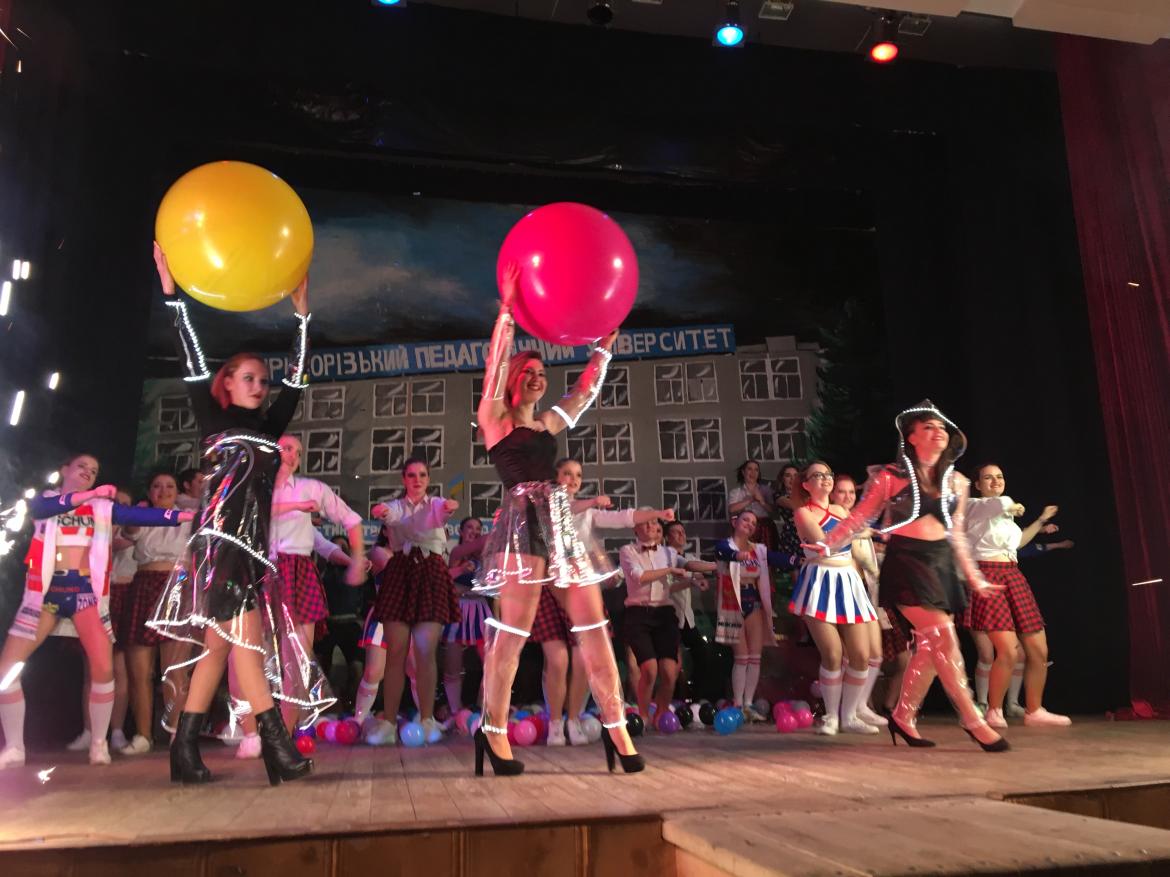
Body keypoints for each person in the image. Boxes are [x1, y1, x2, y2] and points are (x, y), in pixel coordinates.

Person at [146, 242, 324, 785]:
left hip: (251, 550)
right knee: (248, 639)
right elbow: (190, 355)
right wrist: (172, 297)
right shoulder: (211, 417)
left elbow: (297, 378)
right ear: (226, 381)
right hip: (219, 544)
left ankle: (183, 752)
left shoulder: (270, 429)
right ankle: (277, 748)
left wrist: (302, 318)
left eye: (263, 380)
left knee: (220, 648)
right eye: (248, 377)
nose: (259, 385)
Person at [472, 261, 640, 776]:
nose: (537, 378)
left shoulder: (548, 423)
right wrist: (506, 311)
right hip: (522, 528)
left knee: (594, 626)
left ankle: (616, 727)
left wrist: (603, 350)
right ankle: (493, 731)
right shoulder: (495, 420)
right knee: (512, 634)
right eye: (529, 372)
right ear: (514, 379)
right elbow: (495, 366)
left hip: (561, 528)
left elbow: (583, 394)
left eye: (542, 374)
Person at [808, 400, 1009, 752]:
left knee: (931, 647)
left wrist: (974, 577)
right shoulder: (890, 477)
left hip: (941, 564)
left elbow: (958, 534)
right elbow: (860, 517)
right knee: (943, 637)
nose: (938, 432)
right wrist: (828, 543)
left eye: (942, 427)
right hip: (907, 562)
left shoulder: (957, 482)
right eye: (928, 427)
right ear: (911, 437)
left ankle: (903, 716)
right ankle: (972, 719)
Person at [0, 455, 191, 769]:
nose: (88, 473)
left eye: (94, 471)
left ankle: (100, 743)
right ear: (64, 470)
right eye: (82, 467)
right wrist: (92, 494)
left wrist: (187, 515)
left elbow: (143, 515)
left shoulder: (101, 508)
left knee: (103, 669)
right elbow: (45, 509)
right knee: (7, 669)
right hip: (44, 595)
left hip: (85, 594)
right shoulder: (46, 501)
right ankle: (15, 747)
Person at [963, 463, 1070, 728]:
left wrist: (1040, 520)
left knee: (1039, 650)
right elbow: (1000, 504)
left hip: (1013, 575)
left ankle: (1034, 710)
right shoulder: (973, 506)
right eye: (988, 478)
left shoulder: (1005, 514)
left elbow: (1018, 542)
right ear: (977, 485)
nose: (995, 481)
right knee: (1008, 651)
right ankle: (994, 710)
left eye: (999, 477)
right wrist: (1012, 505)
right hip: (988, 576)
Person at [367, 458, 460, 745]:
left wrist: (447, 508)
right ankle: (388, 723)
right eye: (411, 475)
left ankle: (427, 719)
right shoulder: (395, 506)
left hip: (430, 573)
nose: (417, 479)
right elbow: (392, 517)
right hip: (401, 572)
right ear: (403, 479)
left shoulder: (435, 504)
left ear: (428, 479)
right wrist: (382, 512)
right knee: (395, 652)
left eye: (422, 475)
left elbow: (440, 513)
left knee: (425, 651)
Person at [790, 462, 880, 735]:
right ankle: (831, 717)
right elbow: (827, 543)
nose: (825, 479)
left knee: (861, 655)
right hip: (819, 581)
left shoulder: (841, 510)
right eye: (818, 475)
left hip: (848, 580)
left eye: (828, 474)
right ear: (806, 484)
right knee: (832, 653)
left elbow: (842, 541)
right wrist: (858, 530)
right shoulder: (803, 512)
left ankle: (850, 715)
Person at [122, 471, 194, 753]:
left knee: (174, 669)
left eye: (169, 486)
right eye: (156, 486)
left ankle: (176, 734)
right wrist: (137, 513)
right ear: (149, 491)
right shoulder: (141, 516)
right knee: (139, 669)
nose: (163, 491)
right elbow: (130, 531)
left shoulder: (188, 517)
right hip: (144, 585)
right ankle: (143, 735)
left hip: (176, 587)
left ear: (178, 491)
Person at [829, 473, 889, 728]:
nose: (847, 497)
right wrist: (864, 533)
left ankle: (859, 706)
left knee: (875, 654)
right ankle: (843, 713)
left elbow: (868, 561)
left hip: (865, 591)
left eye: (852, 492)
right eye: (842, 492)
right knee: (851, 655)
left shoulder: (858, 521)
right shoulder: (833, 521)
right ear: (833, 495)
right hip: (842, 593)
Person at [662, 520, 715, 703]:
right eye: (676, 532)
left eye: (683, 532)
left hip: (687, 618)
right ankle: (674, 699)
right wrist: (715, 567)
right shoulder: (664, 557)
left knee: (702, 654)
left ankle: (696, 697)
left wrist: (701, 579)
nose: (681, 535)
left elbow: (697, 569)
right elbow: (669, 585)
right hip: (669, 617)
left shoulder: (689, 556)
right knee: (673, 663)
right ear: (667, 537)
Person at [443, 517, 492, 716]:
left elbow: (491, 586)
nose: (474, 531)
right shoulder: (457, 553)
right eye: (470, 527)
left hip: (481, 610)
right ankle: (456, 712)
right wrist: (462, 580)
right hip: (458, 610)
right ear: (461, 532)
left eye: (478, 528)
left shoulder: (486, 556)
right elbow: (446, 581)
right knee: (453, 666)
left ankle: (484, 708)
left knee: (492, 664)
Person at [729, 460, 779, 550]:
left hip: (765, 528)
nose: (753, 473)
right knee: (746, 554)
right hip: (745, 527)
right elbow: (731, 509)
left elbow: (773, 510)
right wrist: (751, 499)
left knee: (767, 555)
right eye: (749, 469)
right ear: (743, 472)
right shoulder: (736, 491)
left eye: (756, 470)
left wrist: (762, 501)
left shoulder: (766, 490)